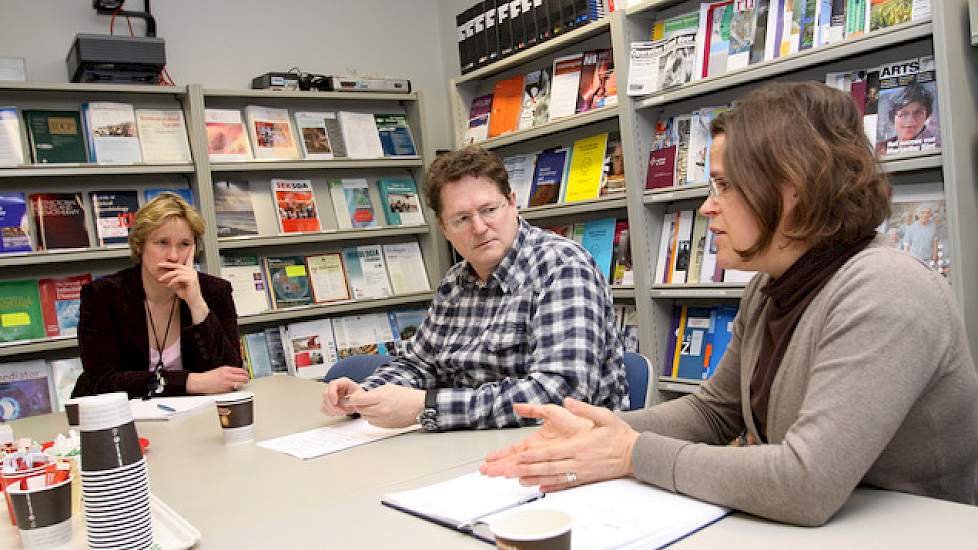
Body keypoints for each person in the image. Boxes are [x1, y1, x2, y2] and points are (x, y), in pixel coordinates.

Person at [481, 81, 978, 526]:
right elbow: (713, 413)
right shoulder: (771, 285)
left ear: (792, 191)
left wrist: (632, 452)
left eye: (724, 184)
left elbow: (805, 481)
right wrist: (598, 433)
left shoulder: (886, 290)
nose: (707, 206)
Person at [321, 146, 628, 431]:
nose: (479, 228)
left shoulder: (562, 267)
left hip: (568, 451)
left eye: (489, 210)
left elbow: (560, 393)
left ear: (511, 202)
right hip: (472, 446)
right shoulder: (454, 284)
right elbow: (419, 364)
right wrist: (366, 395)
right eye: (462, 219)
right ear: (444, 228)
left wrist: (426, 407)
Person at [72, 192, 249, 399]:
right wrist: (191, 381)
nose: (174, 256)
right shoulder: (102, 295)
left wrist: (197, 304)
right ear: (140, 245)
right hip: (120, 417)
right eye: (162, 242)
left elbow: (231, 375)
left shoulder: (214, 291)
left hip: (191, 416)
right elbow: (103, 380)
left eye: (184, 244)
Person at [877, 81, 938, 154]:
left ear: (927, 116)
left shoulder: (937, 147)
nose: (911, 120)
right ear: (893, 117)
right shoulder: (880, 149)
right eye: (904, 114)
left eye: (918, 113)